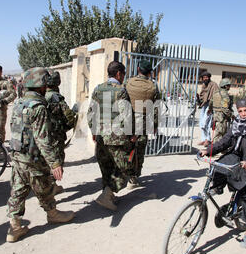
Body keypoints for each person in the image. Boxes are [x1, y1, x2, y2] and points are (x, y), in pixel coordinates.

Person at [6, 67, 74, 243]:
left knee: (18, 189)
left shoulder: (19, 103)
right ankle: (52, 214)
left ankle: (14, 227)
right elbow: (42, 138)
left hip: (17, 155)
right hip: (32, 157)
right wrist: (54, 163)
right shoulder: (39, 107)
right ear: (41, 84)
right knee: (43, 186)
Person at [200, 97, 246, 248]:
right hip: (239, 155)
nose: (243, 114)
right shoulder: (237, 123)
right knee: (220, 164)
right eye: (240, 111)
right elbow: (225, 140)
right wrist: (209, 150)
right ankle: (217, 188)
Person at [87, 61, 134, 211]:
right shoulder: (121, 90)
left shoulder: (97, 89)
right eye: (124, 74)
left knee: (106, 167)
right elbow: (127, 116)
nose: (124, 77)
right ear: (118, 74)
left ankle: (108, 195)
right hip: (117, 138)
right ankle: (107, 195)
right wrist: (131, 135)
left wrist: (94, 131)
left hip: (101, 137)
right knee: (124, 168)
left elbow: (90, 113)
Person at [119, 59, 161, 188]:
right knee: (139, 151)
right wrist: (154, 124)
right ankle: (133, 178)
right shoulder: (153, 86)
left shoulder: (128, 82)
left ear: (138, 69)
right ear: (150, 72)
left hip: (127, 120)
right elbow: (156, 107)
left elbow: (121, 100)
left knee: (126, 148)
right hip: (143, 122)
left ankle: (123, 174)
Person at [45, 70, 77, 195]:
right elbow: (69, 117)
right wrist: (74, 114)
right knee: (57, 161)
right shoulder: (56, 97)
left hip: (41, 135)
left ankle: (47, 186)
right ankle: (51, 188)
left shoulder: (40, 95)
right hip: (55, 135)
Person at [197, 70, 219, 147]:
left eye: (206, 77)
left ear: (209, 77)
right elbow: (202, 96)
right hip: (204, 105)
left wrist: (212, 107)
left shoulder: (214, 85)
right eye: (204, 77)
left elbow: (216, 96)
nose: (205, 78)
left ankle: (208, 140)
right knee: (201, 124)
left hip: (210, 106)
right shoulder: (203, 85)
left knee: (205, 123)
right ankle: (204, 139)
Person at [210, 78, 233, 143]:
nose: (229, 87)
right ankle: (217, 148)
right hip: (222, 116)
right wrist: (231, 115)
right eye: (228, 85)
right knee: (221, 133)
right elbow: (225, 109)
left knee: (217, 132)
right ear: (225, 86)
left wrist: (210, 110)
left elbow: (211, 103)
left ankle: (217, 147)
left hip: (216, 115)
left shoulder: (215, 93)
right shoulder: (225, 95)